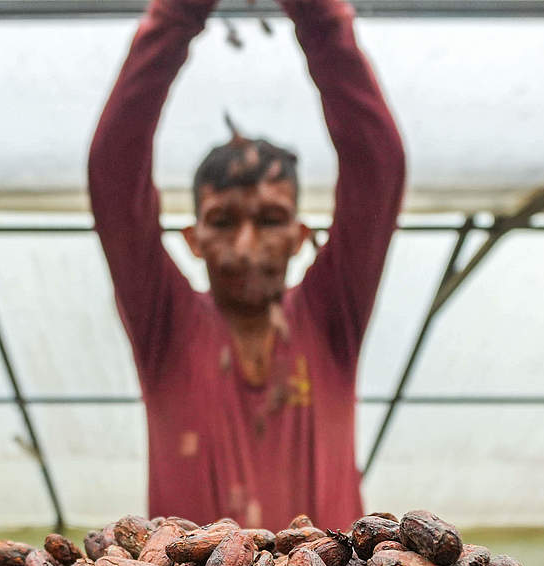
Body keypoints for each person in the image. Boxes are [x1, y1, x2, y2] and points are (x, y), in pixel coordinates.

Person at [88, 0, 405, 531]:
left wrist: (319, 16)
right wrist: (176, 15)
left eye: (270, 219)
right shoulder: (164, 324)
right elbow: (114, 175)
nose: (245, 243)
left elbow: (379, 166)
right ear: (193, 239)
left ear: (302, 236)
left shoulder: (332, 317)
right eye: (223, 220)